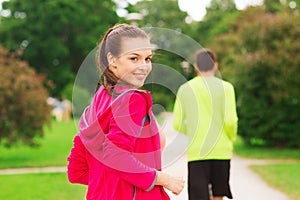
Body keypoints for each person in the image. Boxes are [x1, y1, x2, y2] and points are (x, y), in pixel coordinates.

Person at [67, 24, 184, 200]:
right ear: (112, 59)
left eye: (147, 59)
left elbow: (77, 171)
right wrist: (163, 179)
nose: (144, 66)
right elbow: (115, 155)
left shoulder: (99, 100)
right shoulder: (133, 100)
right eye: (134, 58)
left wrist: (111, 183)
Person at [173, 49, 238, 200]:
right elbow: (230, 121)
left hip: (197, 152)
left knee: (198, 196)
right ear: (215, 65)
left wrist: (193, 133)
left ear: (196, 66)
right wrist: (230, 139)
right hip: (222, 150)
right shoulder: (227, 88)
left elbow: (177, 123)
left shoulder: (185, 89)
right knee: (218, 195)